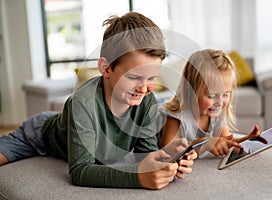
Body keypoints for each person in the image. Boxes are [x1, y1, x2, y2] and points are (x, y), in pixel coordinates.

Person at [0, 12, 197, 190]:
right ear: (106, 68)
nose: (144, 88)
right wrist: (136, 177)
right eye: (134, 77)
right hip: (38, 135)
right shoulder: (83, 102)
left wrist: (165, 161)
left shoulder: (146, 101)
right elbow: (80, 171)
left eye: (152, 78)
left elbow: (145, 154)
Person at [161, 49, 265, 157]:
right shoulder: (176, 116)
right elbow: (168, 153)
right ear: (190, 91)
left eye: (225, 94)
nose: (219, 103)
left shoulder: (217, 113)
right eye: (211, 96)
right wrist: (205, 144)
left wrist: (248, 139)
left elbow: (226, 143)